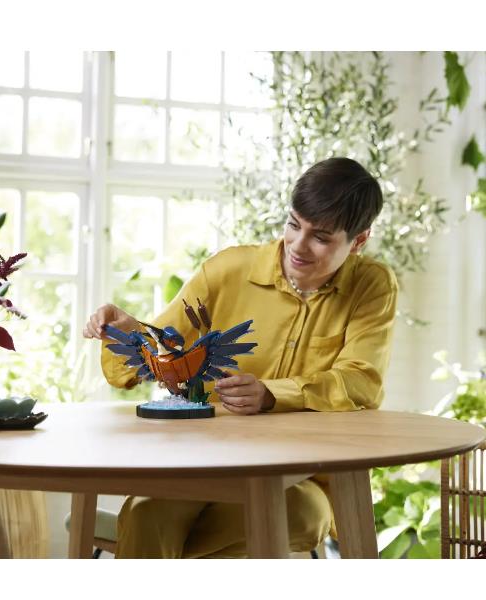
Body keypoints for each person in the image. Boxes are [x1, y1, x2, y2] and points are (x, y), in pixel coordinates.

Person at [83, 156, 398, 558]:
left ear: (358, 241)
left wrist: (272, 394)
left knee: (298, 517)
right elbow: (166, 350)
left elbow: (361, 382)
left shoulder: (371, 286)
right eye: (293, 224)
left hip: (305, 478)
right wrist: (127, 332)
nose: (298, 245)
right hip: (203, 464)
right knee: (146, 515)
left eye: (320, 237)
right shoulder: (228, 269)